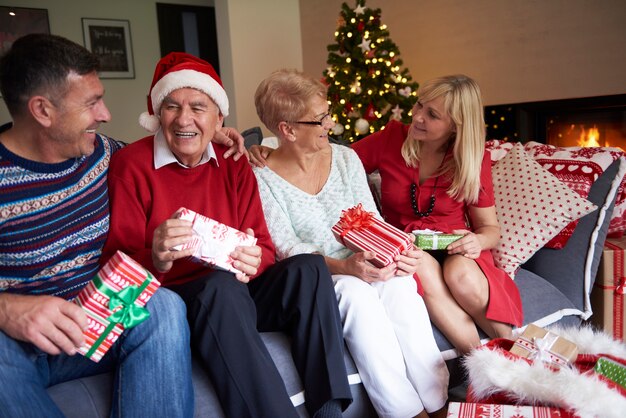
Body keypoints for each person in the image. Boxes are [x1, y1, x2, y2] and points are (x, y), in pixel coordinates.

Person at [101, 52, 353, 418]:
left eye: (198, 108)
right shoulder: (132, 166)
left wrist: (255, 259)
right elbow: (116, 270)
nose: (184, 119)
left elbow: (265, 248)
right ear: (157, 114)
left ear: (219, 118)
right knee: (220, 288)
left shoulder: (233, 160)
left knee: (308, 268)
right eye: (172, 107)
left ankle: (329, 410)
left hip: (238, 292)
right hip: (178, 300)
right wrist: (155, 256)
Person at [250, 74, 523, 355]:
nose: (417, 117)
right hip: (404, 247)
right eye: (418, 106)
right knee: (421, 267)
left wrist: (476, 242)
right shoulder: (391, 139)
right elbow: (318, 154)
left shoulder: (472, 158)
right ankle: (483, 366)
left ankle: (521, 352)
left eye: (432, 115)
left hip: (456, 247)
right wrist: (270, 148)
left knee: (460, 274)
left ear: (456, 125)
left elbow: (490, 229)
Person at [0, 34, 194, 417]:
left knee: (163, 305)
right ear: (42, 110)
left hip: (97, 322)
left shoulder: (104, 154)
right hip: (18, 345)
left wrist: (212, 139)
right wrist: (7, 309)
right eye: (91, 103)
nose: (105, 113)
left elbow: (164, 153)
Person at [252, 69, 449, 418]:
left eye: (327, 114)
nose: (331, 124)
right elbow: (288, 246)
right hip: (325, 275)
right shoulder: (261, 175)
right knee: (355, 296)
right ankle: (406, 413)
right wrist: (344, 267)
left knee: (402, 287)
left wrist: (395, 252)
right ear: (287, 130)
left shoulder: (345, 158)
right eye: (320, 119)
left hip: (368, 260)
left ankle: (439, 404)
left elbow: (372, 220)